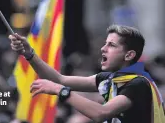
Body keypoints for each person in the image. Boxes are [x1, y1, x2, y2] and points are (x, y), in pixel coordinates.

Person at [9, 24, 165, 123]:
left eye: (111, 45)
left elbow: (101, 113)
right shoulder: (110, 79)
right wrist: (29, 54)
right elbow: (58, 78)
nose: (103, 49)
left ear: (129, 55)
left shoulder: (138, 84)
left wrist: (60, 91)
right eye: (105, 43)